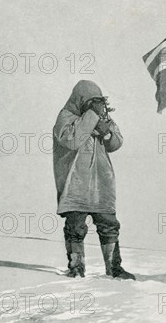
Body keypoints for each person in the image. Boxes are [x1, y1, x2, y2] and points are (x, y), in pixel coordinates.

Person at [52, 80, 135, 280]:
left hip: (101, 182)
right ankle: (76, 267)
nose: (96, 106)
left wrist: (106, 132)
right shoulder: (66, 117)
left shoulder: (100, 117)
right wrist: (92, 117)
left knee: (109, 225)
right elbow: (72, 140)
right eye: (92, 102)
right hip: (76, 183)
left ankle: (114, 268)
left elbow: (116, 143)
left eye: (98, 102)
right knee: (76, 226)